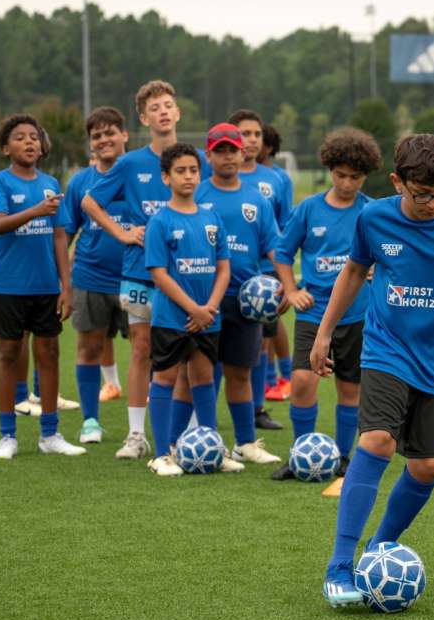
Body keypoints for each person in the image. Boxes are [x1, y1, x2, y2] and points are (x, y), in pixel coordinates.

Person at [312, 134, 434, 606]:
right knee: (376, 440)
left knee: (427, 466)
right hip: (386, 349)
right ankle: (339, 565)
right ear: (398, 182)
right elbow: (354, 271)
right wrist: (323, 332)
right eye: (422, 194)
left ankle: (379, 548)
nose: (432, 203)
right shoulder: (373, 217)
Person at [82, 79, 209, 459]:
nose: (163, 112)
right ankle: (137, 435)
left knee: (187, 353)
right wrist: (121, 233)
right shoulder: (131, 163)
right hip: (139, 270)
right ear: (143, 118)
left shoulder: (194, 159)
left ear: (178, 111)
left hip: (188, 275)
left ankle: (188, 434)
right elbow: (90, 201)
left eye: (168, 104)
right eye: (155, 108)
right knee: (141, 350)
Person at [270, 127, 380, 483]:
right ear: (329, 169)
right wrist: (290, 289)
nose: (347, 183)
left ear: (365, 175)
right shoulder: (309, 209)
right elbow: (283, 253)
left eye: (355, 177)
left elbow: (389, 254)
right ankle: (300, 453)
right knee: (302, 381)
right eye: (341, 175)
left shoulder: (373, 212)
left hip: (358, 314)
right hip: (313, 311)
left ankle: (345, 457)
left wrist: (379, 270)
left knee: (350, 389)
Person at [0, 113, 86, 459]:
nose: (28, 142)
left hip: (46, 287)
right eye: (19, 137)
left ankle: (50, 433)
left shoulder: (50, 183)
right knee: (8, 355)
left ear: (42, 147)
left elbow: (60, 237)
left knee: (50, 354)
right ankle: (7, 435)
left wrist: (66, 286)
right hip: (9, 286)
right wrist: (37, 209)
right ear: (5, 148)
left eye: (34, 137)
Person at [143, 143, 242, 476]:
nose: (188, 176)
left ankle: (213, 448)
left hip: (207, 319)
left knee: (202, 377)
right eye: (180, 171)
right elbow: (159, 274)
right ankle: (160, 454)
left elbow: (224, 268)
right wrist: (193, 310)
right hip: (173, 319)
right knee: (166, 379)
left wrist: (210, 308)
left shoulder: (211, 218)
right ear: (166, 177)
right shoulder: (160, 220)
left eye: (193, 170)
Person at [194, 123, 283, 465]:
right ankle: (207, 441)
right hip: (205, 300)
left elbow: (273, 245)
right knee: (201, 371)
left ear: (243, 152)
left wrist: (286, 285)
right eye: (221, 150)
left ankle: (245, 442)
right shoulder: (198, 194)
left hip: (248, 301)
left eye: (233, 149)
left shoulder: (255, 198)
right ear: (209, 155)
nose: (228, 156)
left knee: (240, 372)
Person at [56, 106, 131, 444]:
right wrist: (64, 284)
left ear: (125, 135)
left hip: (139, 278)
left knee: (153, 351)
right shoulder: (81, 183)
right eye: (96, 136)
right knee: (88, 347)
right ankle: (90, 422)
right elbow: (66, 234)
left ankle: (145, 424)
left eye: (110, 132)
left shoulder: (144, 174)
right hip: (91, 277)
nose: (104, 140)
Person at [228, 108, 284, 431]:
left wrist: (283, 277)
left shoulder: (275, 180)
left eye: (256, 134)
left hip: (265, 275)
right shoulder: (212, 179)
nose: (250, 140)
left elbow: (284, 227)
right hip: (227, 276)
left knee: (261, 343)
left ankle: (258, 407)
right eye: (244, 134)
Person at [261, 125, 295, 403]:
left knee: (271, 323)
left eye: (255, 137)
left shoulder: (279, 178)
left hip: (271, 260)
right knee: (261, 328)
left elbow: (285, 221)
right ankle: (270, 378)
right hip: (242, 265)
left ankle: (283, 376)